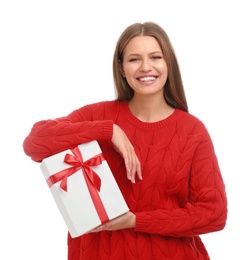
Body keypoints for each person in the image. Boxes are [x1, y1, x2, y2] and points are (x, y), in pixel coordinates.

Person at [23, 21, 228, 260]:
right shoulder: (97, 116)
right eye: (134, 59)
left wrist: (136, 221)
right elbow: (34, 143)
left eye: (155, 57)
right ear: (121, 68)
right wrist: (108, 130)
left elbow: (214, 213)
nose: (146, 67)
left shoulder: (192, 131)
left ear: (168, 63)